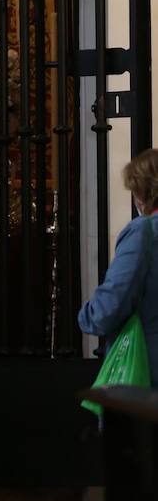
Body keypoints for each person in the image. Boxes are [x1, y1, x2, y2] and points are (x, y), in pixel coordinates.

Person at [79, 148, 158, 384]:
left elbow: (109, 307)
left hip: (147, 371)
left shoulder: (144, 232)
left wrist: (87, 316)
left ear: (141, 192)